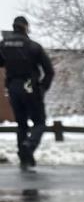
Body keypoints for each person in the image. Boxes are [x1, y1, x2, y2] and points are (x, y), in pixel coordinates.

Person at [0, 16, 54, 169]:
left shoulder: (3, 45)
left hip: (13, 88)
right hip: (30, 87)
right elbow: (49, 71)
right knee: (39, 122)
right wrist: (43, 88)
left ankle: (24, 157)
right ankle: (29, 146)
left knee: (21, 124)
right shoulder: (33, 46)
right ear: (25, 27)